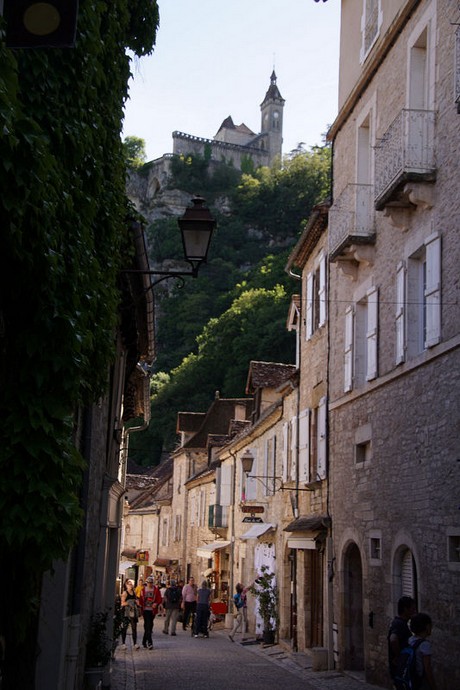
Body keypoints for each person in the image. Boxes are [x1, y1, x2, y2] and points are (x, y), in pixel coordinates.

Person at [388, 596, 417, 683]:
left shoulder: (400, 623)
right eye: (413, 608)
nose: (414, 611)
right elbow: (393, 639)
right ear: (405, 609)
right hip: (400, 670)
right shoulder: (399, 624)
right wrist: (399, 657)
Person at [407, 613, 437, 690]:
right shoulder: (425, 645)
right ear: (427, 627)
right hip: (421, 681)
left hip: (412, 679)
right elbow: (427, 667)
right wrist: (433, 686)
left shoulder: (411, 640)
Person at [139, 576, 162, 649]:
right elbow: (140, 600)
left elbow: (159, 598)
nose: (150, 584)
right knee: (148, 626)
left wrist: (156, 603)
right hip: (145, 610)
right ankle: (150, 643)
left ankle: (144, 641)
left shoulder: (156, 590)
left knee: (149, 626)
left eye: (151, 583)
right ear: (146, 583)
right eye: (148, 583)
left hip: (152, 611)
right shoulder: (143, 590)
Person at [120, 579, 140, 650]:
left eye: (131, 584)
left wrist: (137, 603)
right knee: (124, 628)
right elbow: (122, 603)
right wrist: (129, 603)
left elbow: (136, 601)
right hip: (126, 612)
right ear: (126, 585)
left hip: (133, 612)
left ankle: (135, 643)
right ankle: (123, 643)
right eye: (129, 584)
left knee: (134, 628)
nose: (130, 585)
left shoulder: (134, 592)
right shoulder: (125, 593)